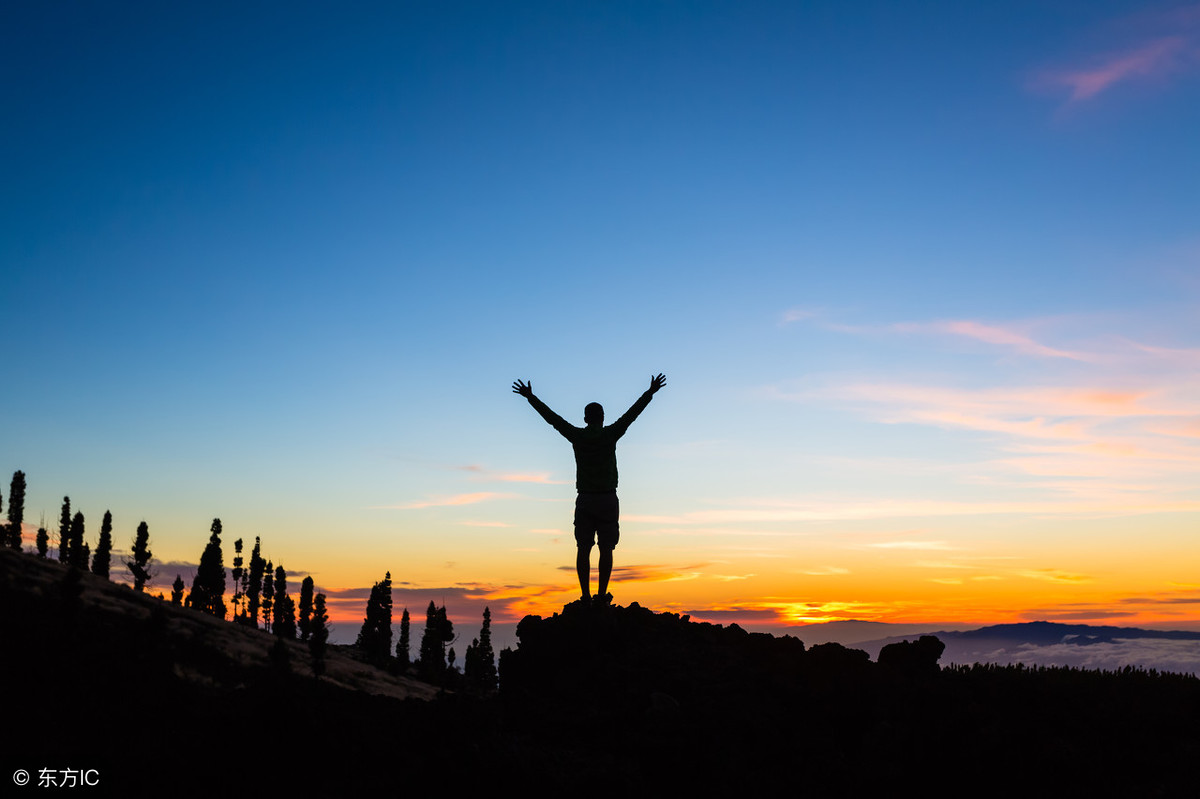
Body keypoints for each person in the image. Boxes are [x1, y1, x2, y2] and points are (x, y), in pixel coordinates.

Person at [513, 374, 666, 605]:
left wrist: (530, 398)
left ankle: (585, 596)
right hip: (607, 500)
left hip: (584, 500)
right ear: (602, 418)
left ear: (585, 418)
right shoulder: (610, 434)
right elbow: (632, 415)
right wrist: (650, 392)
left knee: (583, 548)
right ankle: (602, 595)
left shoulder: (577, 436)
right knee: (606, 549)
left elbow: (553, 419)